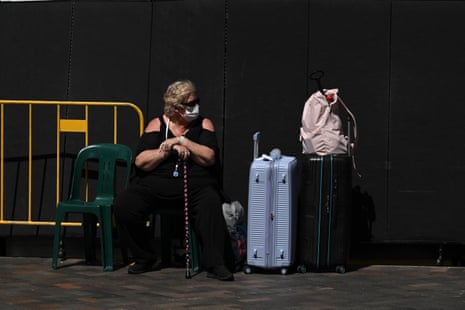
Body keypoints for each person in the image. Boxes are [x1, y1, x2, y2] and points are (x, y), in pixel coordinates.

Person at [113, 80, 234, 281]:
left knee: (210, 203)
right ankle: (145, 256)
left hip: (195, 187)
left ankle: (215, 263)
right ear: (177, 108)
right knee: (125, 205)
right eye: (191, 103)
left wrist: (183, 141)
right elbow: (141, 161)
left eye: (197, 101)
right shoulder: (157, 124)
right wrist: (168, 150)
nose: (196, 106)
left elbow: (209, 156)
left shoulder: (204, 124)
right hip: (156, 187)